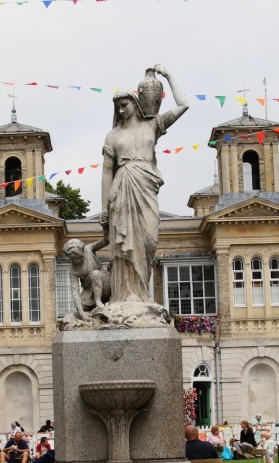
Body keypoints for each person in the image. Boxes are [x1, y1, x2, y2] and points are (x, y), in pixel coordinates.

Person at [99, 65, 188, 305]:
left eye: (124, 104)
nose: (120, 109)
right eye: (117, 106)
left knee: (149, 241)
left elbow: (183, 105)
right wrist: (105, 209)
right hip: (122, 188)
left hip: (145, 186)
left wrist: (169, 76)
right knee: (122, 245)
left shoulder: (151, 126)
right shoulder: (112, 136)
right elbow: (107, 172)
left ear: (135, 103)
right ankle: (124, 297)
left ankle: (142, 295)